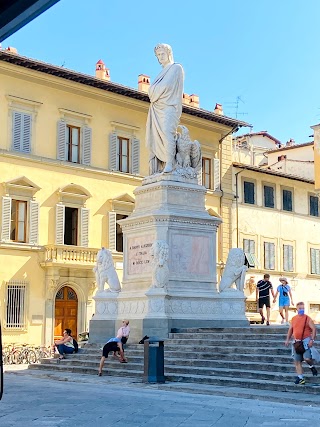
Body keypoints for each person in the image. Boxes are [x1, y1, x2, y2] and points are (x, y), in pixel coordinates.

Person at [146, 43, 184, 175]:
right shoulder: (161, 73)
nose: (160, 58)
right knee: (157, 136)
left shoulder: (176, 68)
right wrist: (154, 91)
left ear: (169, 54)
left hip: (169, 107)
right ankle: (160, 165)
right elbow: (151, 91)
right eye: (158, 56)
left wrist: (154, 91)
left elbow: (165, 87)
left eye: (162, 54)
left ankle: (170, 163)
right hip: (157, 109)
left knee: (167, 133)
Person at [285, 301, 320, 385]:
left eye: (303, 308)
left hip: (306, 341)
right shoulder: (293, 319)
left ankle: (311, 366)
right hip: (297, 342)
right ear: (297, 309)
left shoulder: (307, 318)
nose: (302, 310)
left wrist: (312, 340)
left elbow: (314, 329)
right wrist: (287, 339)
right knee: (297, 361)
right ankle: (300, 378)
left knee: (307, 358)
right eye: (300, 308)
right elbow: (290, 330)